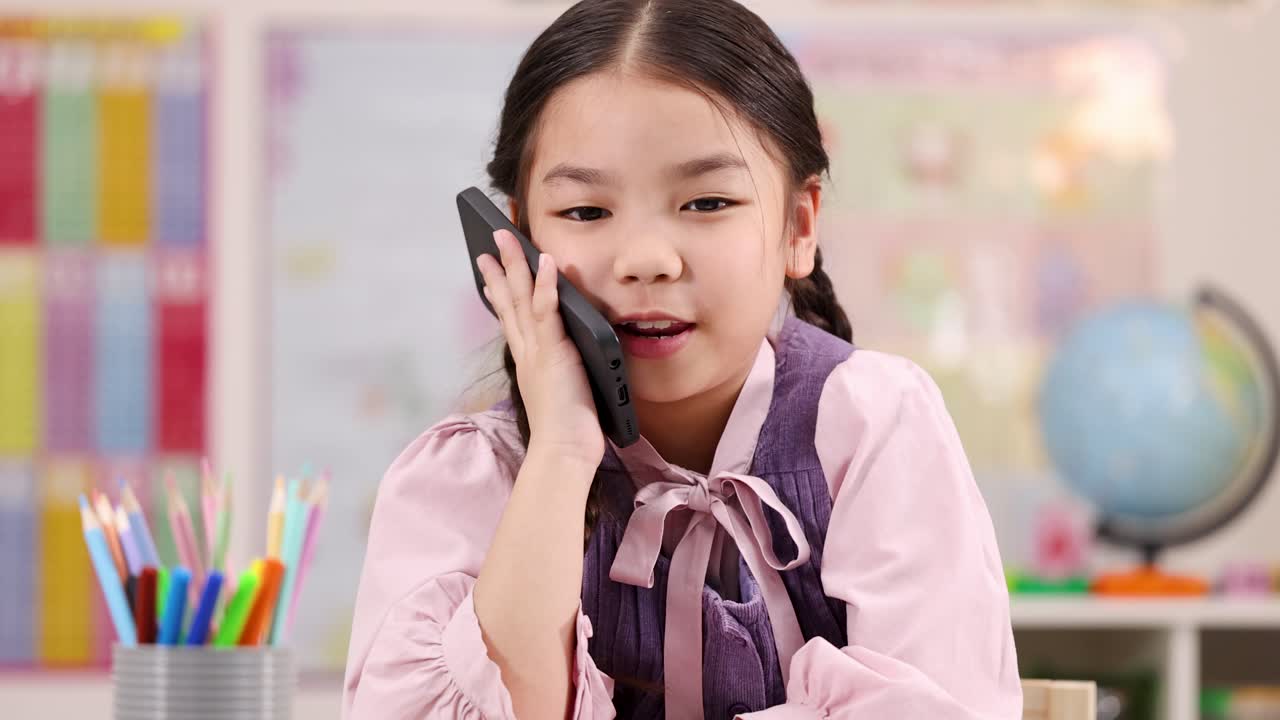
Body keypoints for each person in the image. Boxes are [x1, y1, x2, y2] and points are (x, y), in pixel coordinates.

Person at [343, 1, 1021, 717]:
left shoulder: (874, 428)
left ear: (798, 225)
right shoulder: (464, 483)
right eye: (585, 212)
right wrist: (561, 457)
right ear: (515, 246)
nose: (646, 260)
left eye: (705, 202)